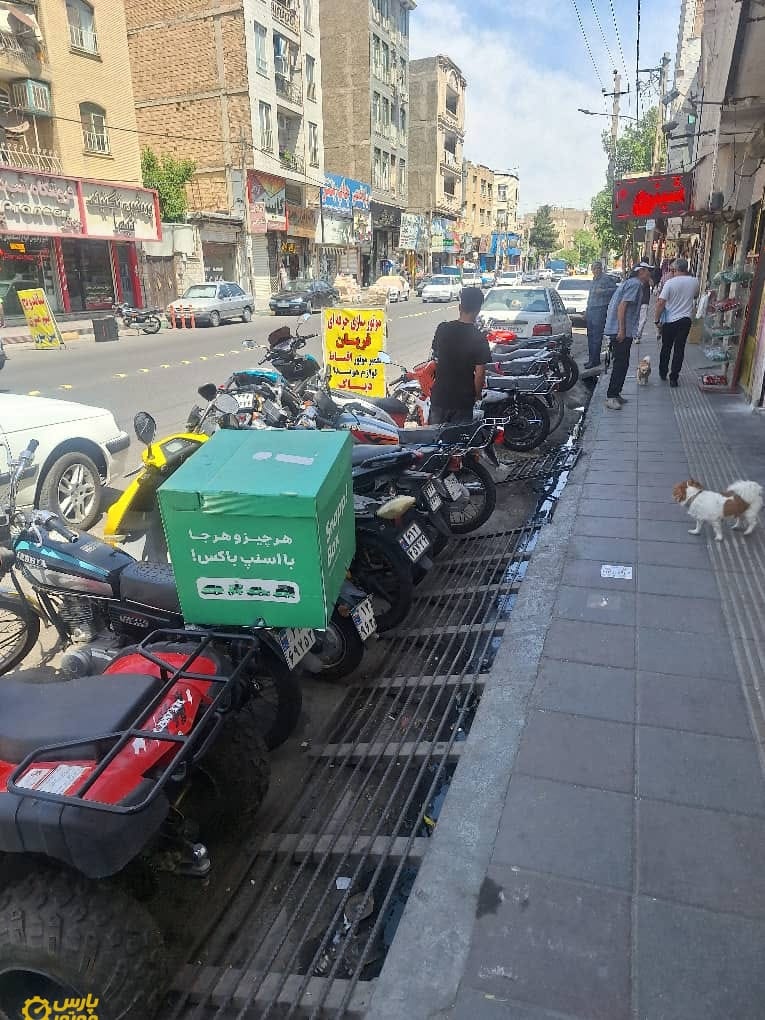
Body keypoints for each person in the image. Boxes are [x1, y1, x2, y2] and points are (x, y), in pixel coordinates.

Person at [429, 287, 490, 425]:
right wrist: (477, 396)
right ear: (478, 310)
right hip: (463, 401)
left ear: (460, 307)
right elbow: (480, 374)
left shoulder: (442, 329)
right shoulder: (479, 338)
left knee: (435, 436)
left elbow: (436, 358)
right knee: (459, 438)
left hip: (440, 397)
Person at [603, 262, 653, 410]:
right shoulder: (635, 284)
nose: (649, 274)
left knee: (623, 363)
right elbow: (622, 306)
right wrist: (622, 330)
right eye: (648, 271)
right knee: (620, 363)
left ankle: (616, 393)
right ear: (641, 271)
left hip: (621, 329)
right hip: (621, 330)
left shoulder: (631, 283)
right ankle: (611, 396)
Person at [655, 257, 699, 387]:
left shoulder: (670, 283)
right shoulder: (695, 281)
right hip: (685, 320)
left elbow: (661, 303)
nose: (671, 272)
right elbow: (695, 295)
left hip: (670, 320)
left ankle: (663, 372)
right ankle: (674, 377)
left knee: (666, 347)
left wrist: (656, 320)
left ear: (676, 269)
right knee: (679, 349)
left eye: (672, 269)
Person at [584, 260, 617, 369]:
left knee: (596, 337)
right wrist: (587, 310)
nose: (595, 270)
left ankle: (595, 360)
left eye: (597, 268)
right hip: (591, 310)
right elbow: (591, 297)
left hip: (600, 310)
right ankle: (591, 359)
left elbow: (615, 290)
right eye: (593, 269)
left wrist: (603, 291)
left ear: (601, 269)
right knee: (590, 336)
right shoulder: (594, 280)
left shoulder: (606, 279)